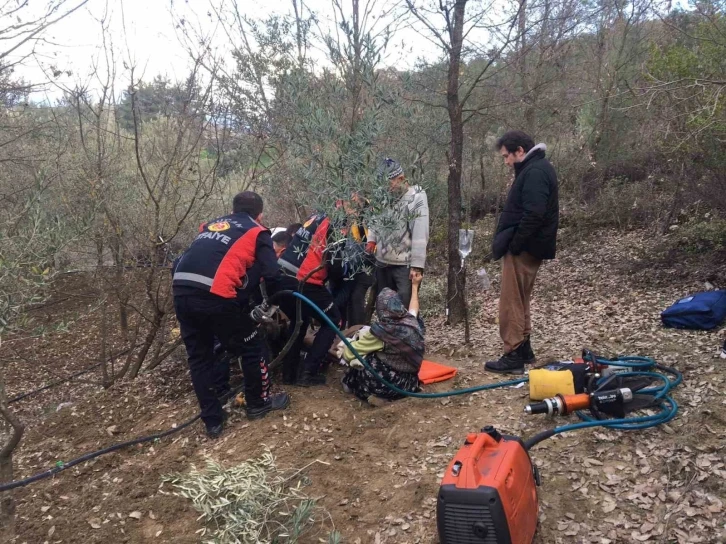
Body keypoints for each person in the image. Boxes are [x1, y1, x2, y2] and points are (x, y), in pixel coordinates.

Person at [172, 191, 290, 438]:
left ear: (233, 209)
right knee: (251, 346)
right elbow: (271, 273)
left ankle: (213, 422)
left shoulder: (211, 225)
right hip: (216, 295)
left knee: (199, 358)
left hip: (181, 290)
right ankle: (258, 404)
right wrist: (278, 301)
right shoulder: (258, 231)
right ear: (260, 215)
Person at [485, 130, 559, 374]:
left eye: (507, 156)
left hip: (525, 248)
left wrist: (515, 244)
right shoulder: (536, 168)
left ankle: (513, 353)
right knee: (520, 298)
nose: (506, 161)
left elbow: (534, 214)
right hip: (530, 246)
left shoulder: (535, 171)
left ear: (520, 151)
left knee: (511, 301)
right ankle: (524, 348)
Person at [338, 273, 424, 406]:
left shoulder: (383, 332)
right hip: (410, 384)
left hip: (388, 386)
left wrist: (345, 345)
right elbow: (414, 308)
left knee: (365, 359)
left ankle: (371, 393)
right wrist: (414, 285)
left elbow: (350, 354)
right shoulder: (410, 321)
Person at [277, 212, 342, 386]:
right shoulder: (337, 221)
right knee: (332, 319)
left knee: (300, 321)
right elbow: (335, 264)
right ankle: (309, 372)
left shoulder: (317, 216)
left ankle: (289, 374)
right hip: (305, 280)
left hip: (283, 276)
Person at [368, 158, 429, 308]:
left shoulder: (417, 196)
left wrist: (417, 265)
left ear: (400, 179)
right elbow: (374, 220)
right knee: (384, 308)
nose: (386, 189)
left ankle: (413, 331)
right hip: (382, 263)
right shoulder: (382, 195)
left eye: (389, 184)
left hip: (404, 266)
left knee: (404, 310)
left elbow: (421, 232)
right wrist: (371, 240)